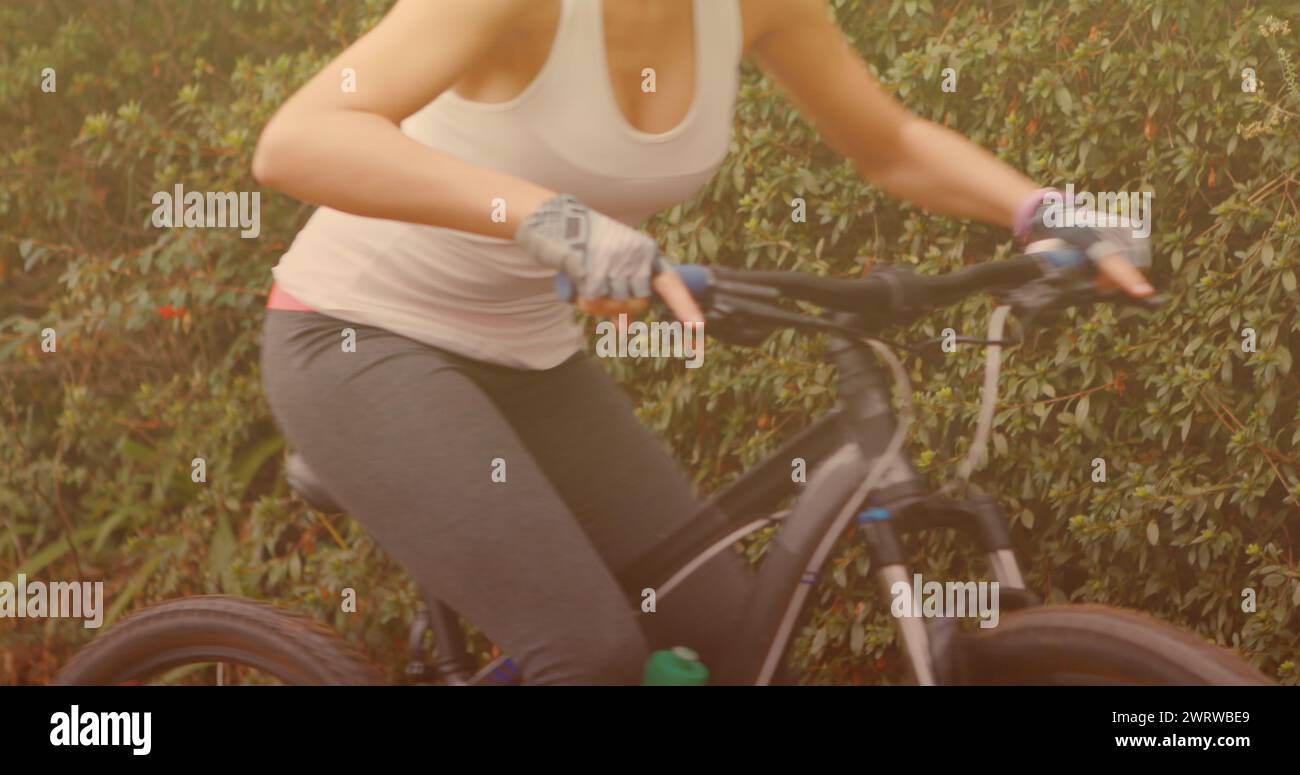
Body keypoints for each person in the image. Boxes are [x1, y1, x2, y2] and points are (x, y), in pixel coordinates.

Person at [251, 0, 1152, 685]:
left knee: (721, 641)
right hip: (354, 333)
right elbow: (297, 141)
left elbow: (889, 141)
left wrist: (1044, 210)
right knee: (588, 653)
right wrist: (540, 214)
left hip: (530, 353)